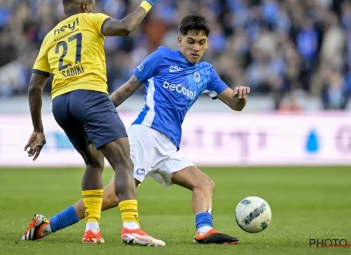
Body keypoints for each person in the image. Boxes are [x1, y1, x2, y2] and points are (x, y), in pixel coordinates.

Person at [21, 15, 250, 245]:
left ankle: (204, 231)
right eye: (191, 41)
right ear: (180, 40)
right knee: (111, 197)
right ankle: (47, 225)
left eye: (201, 43)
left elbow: (234, 104)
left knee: (203, 183)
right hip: (146, 135)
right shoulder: (161, 57)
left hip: (168, 146)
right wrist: (97, 116)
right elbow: (127, 89)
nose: (196, 48)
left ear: (207, 44)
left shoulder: (206, 72)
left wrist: (241, 98)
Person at [21, 0, 166, 246]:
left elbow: (34, 87)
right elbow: (124, 27)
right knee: (123, 163)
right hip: (89, 95)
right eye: (94, 7)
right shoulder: (90, 20)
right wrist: (148, 2)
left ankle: (91, 229)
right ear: (86, 7)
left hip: (61, 104)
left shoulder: (51, 36)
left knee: (93, 163)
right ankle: (131, 226)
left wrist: (38, 129)